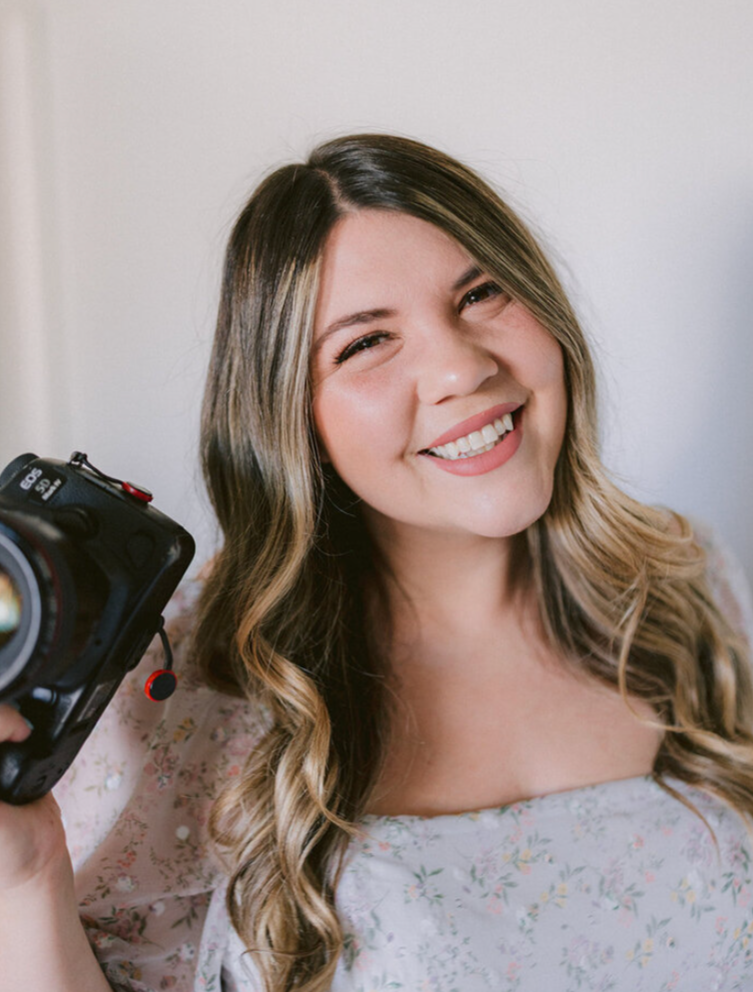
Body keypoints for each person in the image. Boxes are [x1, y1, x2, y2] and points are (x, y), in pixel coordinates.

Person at [2, 133, 753, 992]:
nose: (460, 368)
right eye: (364, 344)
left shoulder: (681, 582)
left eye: (479, 293)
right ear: (288, 414)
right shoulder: (189, 686)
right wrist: (25, 880)